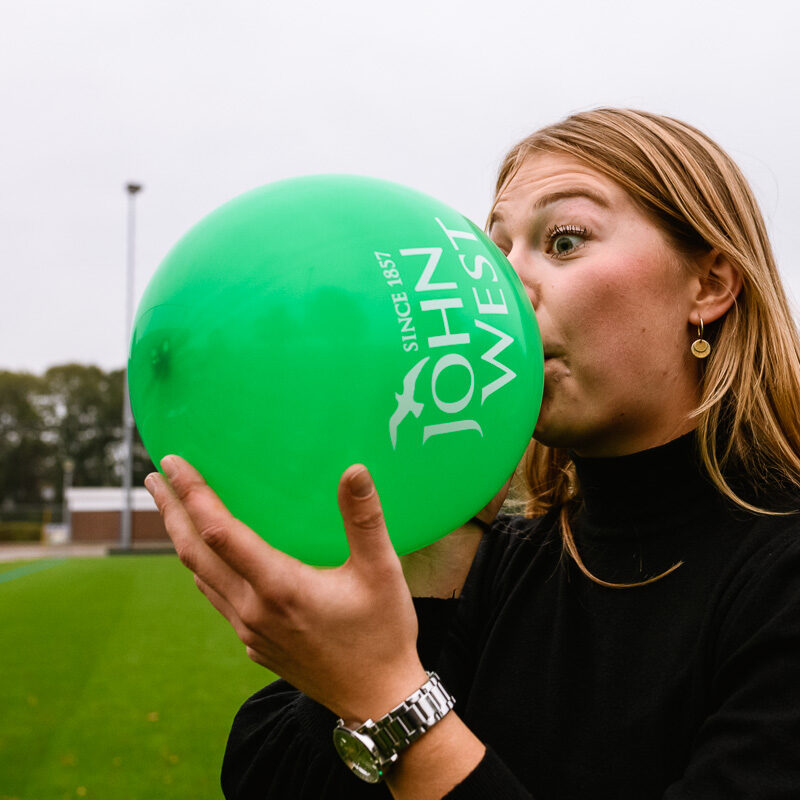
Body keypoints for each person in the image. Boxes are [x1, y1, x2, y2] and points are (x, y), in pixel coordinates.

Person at [144, 108, 800, 799]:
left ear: (710, 285)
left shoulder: (777, 577)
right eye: (494, 254)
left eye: (566, 240)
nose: (503, 290)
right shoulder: (499, 561)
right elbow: (267, 777)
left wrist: (390, 701)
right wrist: (436, 557)